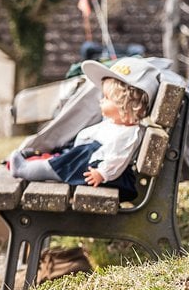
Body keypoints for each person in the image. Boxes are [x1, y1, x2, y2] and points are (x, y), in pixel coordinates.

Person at [9, 58, 160, 201]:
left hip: (108, 176)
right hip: (102, 167)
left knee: (81, 157)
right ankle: (49, 158)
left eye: (107, 98)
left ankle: (28, 169)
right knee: (82, 150)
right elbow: (96, 134)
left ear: (125, 107)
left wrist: (102, 173)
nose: (101, 100)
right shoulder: (118, 124)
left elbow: (118, 159)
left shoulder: (128, 135)